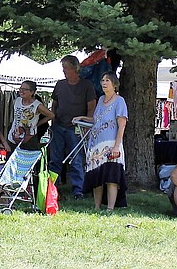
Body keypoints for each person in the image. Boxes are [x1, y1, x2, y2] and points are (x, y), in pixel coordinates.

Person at [74, 73, 129, 212]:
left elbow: (122, 124)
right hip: (96, 144)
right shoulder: (100, 100)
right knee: (96, 176)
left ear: (114, 84)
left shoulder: (119, 101)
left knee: (111, 177)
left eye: (107, 80)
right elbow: (96, 120)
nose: (104, 83)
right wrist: (83, 118)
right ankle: (97, 207)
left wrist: (117, 146)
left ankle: (110, 208)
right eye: (102, 80)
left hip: (111, 144)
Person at [49, 54, 97, 199]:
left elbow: (91, 106)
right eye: (63, 68)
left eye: (66, 68)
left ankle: (78, 190)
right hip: (58, 126)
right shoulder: (60, 84)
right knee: (55, 158)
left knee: (76, 159)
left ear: (74, 68)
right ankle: (52, 187)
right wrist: (53, 119)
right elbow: (54, 104)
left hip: (76, 127)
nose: (64, 71)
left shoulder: (86, 85)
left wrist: (88, 125)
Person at [7, 80, 55, 150]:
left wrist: (37, 124)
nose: (21, 91)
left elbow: (51, 115)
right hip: (13, 137)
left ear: (32, 92)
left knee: (27, 159)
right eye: (21, 88)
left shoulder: (37, 105)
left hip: (29, 139)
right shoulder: (17, 100)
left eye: (25, 89)